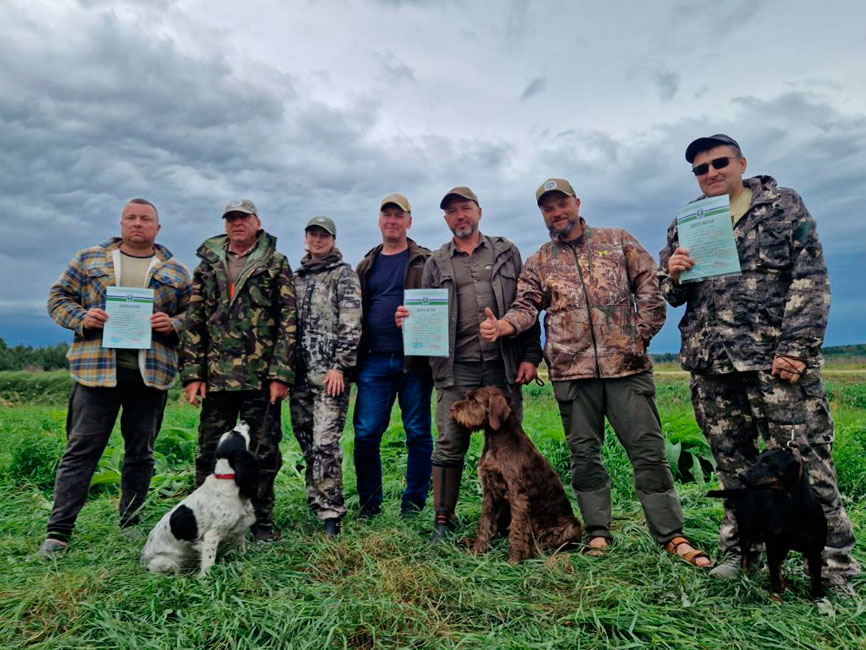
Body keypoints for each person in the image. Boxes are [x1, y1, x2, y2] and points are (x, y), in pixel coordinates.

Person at [659, 134, 860, 587]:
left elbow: (810, 277)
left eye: (719, 162)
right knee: (735, 468)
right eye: (700, 168)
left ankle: (833, 566)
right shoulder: (687, 221)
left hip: (775, 362)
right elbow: (670, 295)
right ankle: (741, 551)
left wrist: (797, 348)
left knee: (806, 464)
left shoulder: (782, 206)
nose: (710, 173)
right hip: (712, 364)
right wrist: (672, 273)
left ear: (741, 163)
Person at [480, 179, 710, 566]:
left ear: (577, 203)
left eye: (562, 204)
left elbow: (650, 286)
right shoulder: (540, 261)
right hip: (572, 376)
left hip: (627, 370)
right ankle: (598, 531)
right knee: (585, 457)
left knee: (649, 454)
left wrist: (639, 336)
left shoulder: (617, 241)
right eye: (548, 208)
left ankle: (671, 535)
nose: (556, 212)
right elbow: (525, 306)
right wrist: (504, 326)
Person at [40, 198, 191, 555]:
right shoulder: (88, 259)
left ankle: (131, 523)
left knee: (141, 453)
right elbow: (57, 298)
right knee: (81, 451)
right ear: (122, 224)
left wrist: (173, 324)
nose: (137, 224)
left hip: (150, 375)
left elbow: (195, 316)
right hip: (96, 373)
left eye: (146, 219)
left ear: (158, 227)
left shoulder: (177, 271)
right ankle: (58, 532)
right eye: (131, 218)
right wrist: (81, 318)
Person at [397, 186, 542, 542]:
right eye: (452, 212)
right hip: (456, 367)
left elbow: (527, 304)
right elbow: (425, 311)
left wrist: (530, 355)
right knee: (449, 441)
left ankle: (509, 522)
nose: (460, 216)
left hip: (502, 365)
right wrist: (409, 319)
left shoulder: (507, 252)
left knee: (508, 444)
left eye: (465, 208)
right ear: (445, 219)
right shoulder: (436, 262)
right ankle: (443, 520)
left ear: (479, 211)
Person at [179, 198, 296, 541]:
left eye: (243, 218)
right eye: (231, 218)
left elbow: (288, 321)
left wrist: (280, 374)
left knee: (263, 452)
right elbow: (194, 321)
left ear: (257, 222)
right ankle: (203, 517)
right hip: (216, 376)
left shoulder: (275, 263)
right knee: (208, 451)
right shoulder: (207, 265)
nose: (236, 223)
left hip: (261, 377)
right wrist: (192, 374)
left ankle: (259, 520)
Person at [353, 193, 433, 518]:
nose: (392, 221)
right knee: (366, 433)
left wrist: (419, 319)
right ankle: (370, 505)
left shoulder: (426, 260)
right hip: (373, 359)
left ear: (409, 221)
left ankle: (413, 506)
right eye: (387, 215)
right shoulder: (366, 265)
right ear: (380, 221)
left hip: (414, 361)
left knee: (417, 431)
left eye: (399, 215)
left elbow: (439, 304)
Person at [290, 216, 362, 536]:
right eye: (313, 234)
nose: (317, 240)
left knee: (325, 443)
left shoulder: (344, 275)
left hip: (330, 376)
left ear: (333, 240)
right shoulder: (297, 278)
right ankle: (315, 499)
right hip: (298, 378)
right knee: (306, 442)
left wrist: (340, 365)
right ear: (306, 238)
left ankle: (332, 513)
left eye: (324, 235)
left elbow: (351, 323)